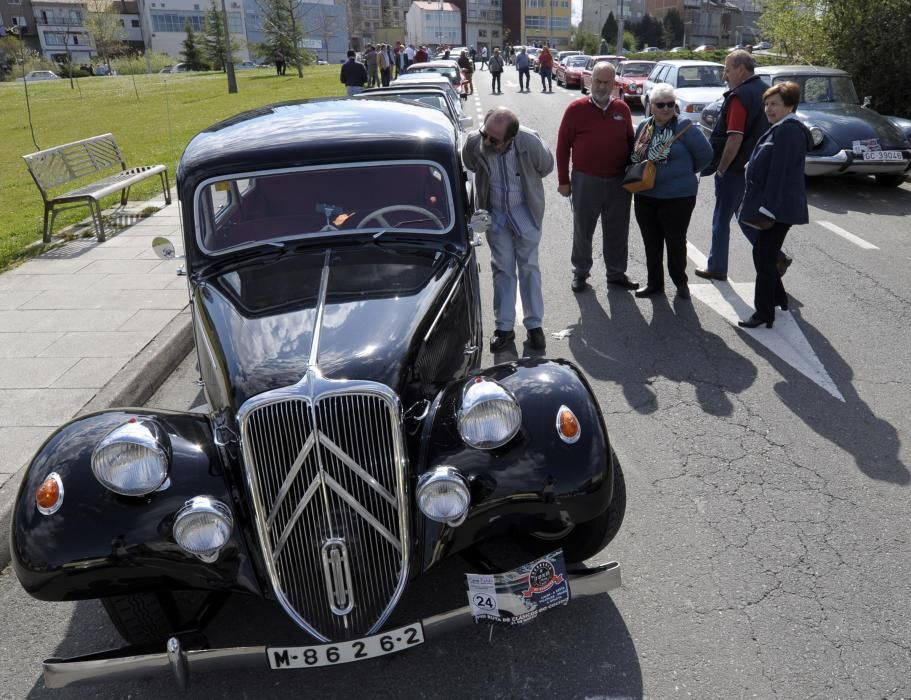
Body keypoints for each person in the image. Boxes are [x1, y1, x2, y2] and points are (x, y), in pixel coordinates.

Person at [461, 107, 555, 352]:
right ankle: (504, 329)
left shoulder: (529, 142)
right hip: (496, 215)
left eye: (494, 139)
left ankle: (535, 326)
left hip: (524, 213)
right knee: (502, 269)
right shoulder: (475, 142)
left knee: (529, 267)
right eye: (485, 134)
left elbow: (546, 166)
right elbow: (469, 162)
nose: (487, 141)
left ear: (510, 138)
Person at [556, 61, 638, 293]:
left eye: (607, 82)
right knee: (583, 229)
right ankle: (580, 273)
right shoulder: (575, 109)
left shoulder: (622, 109)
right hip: (585, 179)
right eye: (598, 81)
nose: (602, 87)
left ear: (614, 83)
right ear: (591, 81)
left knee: (618, 229)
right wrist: (564, 180)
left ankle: (616, 273)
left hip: (618, 181)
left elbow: (631, 143)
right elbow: (563, 146)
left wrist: (636, 171)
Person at [737, 81, 810, 328]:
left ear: (790, 106)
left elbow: (781, 174)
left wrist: (767, 209)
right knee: (763, 255)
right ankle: (778, 298)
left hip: (776, 209)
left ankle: (763, 313)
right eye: (767, 104)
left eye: (775, 104)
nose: (769, 109)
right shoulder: (780, 128)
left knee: (764, 260)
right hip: (773, 207)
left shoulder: (788, 131)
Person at [629, 84, 713, 300]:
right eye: (660, 104)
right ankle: (654, 284)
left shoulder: (684, 126)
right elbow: (635, 155)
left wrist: (682, 173)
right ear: (652, 106)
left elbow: (705, 156)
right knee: (651, 242)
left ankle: (680, 282)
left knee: (675, 241)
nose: (666, 109)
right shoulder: (645, 126)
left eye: (670, 104)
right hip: (646, 194)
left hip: (678, 197)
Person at [696, 49, 769, 282]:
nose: (725, 76)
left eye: (727, 70)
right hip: (756, 166)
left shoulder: (740, 96)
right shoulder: (766, 92)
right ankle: (774, 256)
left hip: (735, 169)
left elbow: (734, 137)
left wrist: (721, 168)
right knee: (745, 215)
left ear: (740, 69)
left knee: (721, 219)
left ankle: (717, 267)